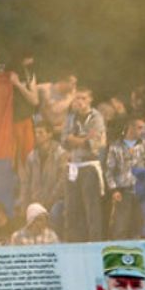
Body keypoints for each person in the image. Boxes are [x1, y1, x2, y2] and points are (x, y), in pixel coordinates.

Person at [60, 88, 106, 242]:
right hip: (73, 166)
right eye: (77, 98)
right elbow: (64, 141)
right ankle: (73, 243)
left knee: (92, 208)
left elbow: (94, 143)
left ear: (90, 100)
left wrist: (76, 139)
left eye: (83, 98)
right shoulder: (70, 118)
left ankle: (94, 242)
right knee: (71, 208)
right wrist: (83, 138)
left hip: (89, 165)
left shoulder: (96, 117)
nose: (79, 101)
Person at [106, 117, 145, 239]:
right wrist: (114, 189)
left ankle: (136, 253)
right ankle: (120, 252)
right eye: (139, 127)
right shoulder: (116, 146)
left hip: (141, 190)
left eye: (144, 128)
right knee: (120, 225)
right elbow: (109, 170)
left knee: (139, 225)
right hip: (123, 191)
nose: (142, 131)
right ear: (130, 128)